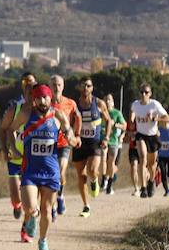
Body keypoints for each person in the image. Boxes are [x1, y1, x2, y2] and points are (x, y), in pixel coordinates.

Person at [16, 84, 72, 250]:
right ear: (34, 100)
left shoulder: (57, 115)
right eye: (38, 97)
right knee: (29, 207)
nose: (42, 101)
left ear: (50, 98)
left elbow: (68, 131)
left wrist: (71, 137)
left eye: (45, 97)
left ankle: (43, 241)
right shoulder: (26, 114)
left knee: (47, 209)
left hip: (50, 171)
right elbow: (11, 130)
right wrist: (13, 147)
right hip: (31, 170)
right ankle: (33, 215)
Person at [0, 72, 38, 221]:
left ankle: (29, 222)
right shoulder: (14, 109)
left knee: (32, 196)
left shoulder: (43, 110)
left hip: (34, 160)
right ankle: (16, 205)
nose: (31, 93)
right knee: (16, 198)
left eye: (33, 90)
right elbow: (3, 129)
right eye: (28, 90)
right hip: (15, 158)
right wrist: (5, 150)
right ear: (24, 91)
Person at [48, 75, 81, 217]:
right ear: (50, 86)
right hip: (49, 144)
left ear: (63, 86)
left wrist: (77, 135)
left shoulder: (70, 103)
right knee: (52, 175)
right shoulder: (45, 103)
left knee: (61, 171)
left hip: (65, 143)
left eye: (59, 85)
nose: (56, 87)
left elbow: (78, 117)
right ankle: (54, 202)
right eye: (54, 85)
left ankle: (60, 196)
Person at [70, 77, 103, 217]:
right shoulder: (75, 105)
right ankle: (86, 206)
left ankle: (95, 181)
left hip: (94, 142)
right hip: (79, 142)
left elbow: (109, 119)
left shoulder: (99, 103)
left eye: (88, 86)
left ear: (92, 88)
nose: (85, 88)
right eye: (83, 86)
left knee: (92, 170)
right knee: (81, 176)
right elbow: (69, 123)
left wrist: (106, 137)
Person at [129, 84, 168, 198]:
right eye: (141, 92)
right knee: (142, 158)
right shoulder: (135, 104)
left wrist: (157, 118)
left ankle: (151, 181)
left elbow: (167, 118)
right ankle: (143, 188)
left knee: (152, 166)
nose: (143, 94)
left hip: (153, 137)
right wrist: (131, 120)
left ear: (150, 94)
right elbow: (132, 113)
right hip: (141, 135)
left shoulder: (154, 104)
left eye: (146, 92)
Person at [100, 93, 126, 195]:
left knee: (111, 163)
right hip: (103, 140)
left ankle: (109, 185)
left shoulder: (117, 113)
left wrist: (116, 125)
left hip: (114, 141)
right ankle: (103, 179)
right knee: (103, 157)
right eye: (105, 99)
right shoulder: (100, 113)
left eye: (109, 100)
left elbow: (124, 126)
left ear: (113, 102)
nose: (107, 102)